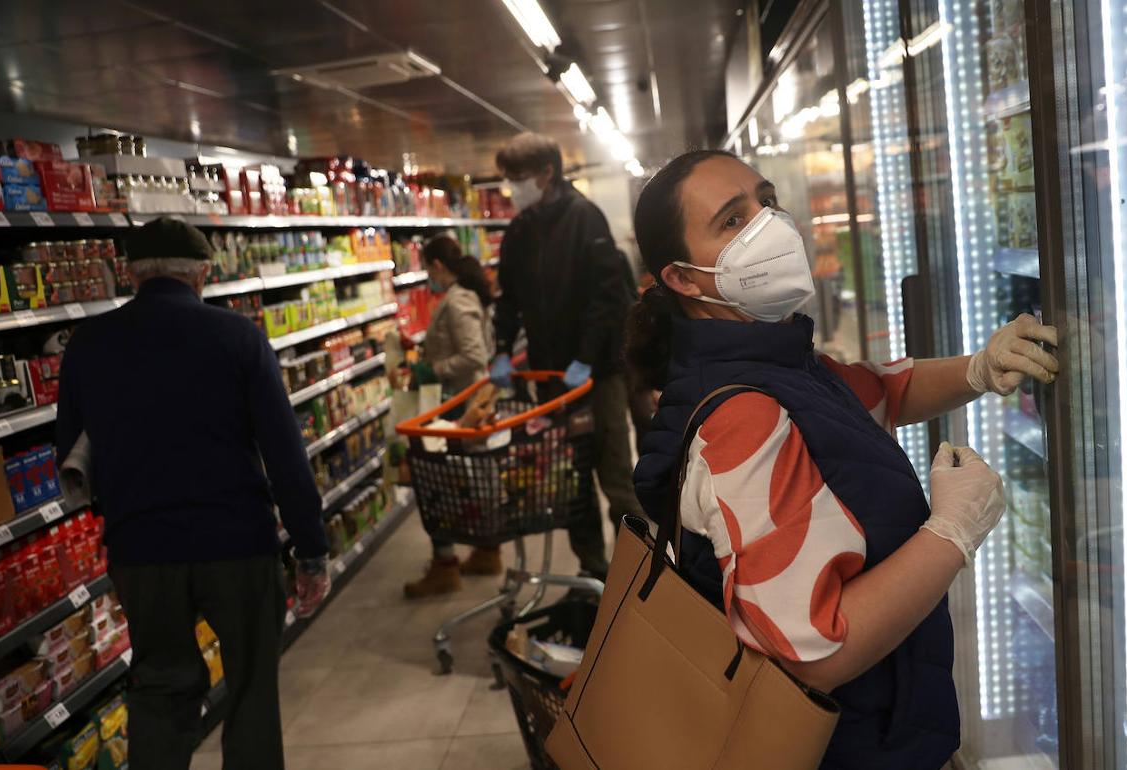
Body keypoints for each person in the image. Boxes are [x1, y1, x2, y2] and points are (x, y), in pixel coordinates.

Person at [627, 150, 1059, 769]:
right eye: (731, 220)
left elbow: (876, 389)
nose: (769, 224)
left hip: (879, 730)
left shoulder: (771, 362)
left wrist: (980, 368)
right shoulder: (743, 419)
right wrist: (951, 533)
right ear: (684, 279)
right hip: (848, 750)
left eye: (765, 199)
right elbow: (813, 654)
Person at [55, 218, 332, 770]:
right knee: (252, 690)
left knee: (159, 692)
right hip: (237, 545)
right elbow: (284, 454)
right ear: (202, 275)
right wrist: (312, 550)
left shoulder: (89, 344)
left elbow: (72, 454)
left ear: (130, 275)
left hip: (143, 549)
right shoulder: (237, 337)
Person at [490, 132, 640, 579]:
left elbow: (607, 297)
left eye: (517, 179)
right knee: (570, 483)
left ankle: (635, 574)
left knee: (615, 477)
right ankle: (594, 571)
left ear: (546, 173)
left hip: (599, 376)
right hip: (550, 380)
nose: (511, 189)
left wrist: (587, 359)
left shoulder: (585, 218)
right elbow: (508, 298)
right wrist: (500, 350)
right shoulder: (520, 230)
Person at [403, 234, 503, 598]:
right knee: (468, 479)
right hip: (467, 401)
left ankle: (445, 565)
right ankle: (486, 551)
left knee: (437, 483)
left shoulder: (458, 299)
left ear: (437, 266)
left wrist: (433, 369)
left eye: (428, 268)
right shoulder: (466, 294)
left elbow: (474, 354)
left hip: (458, 407)